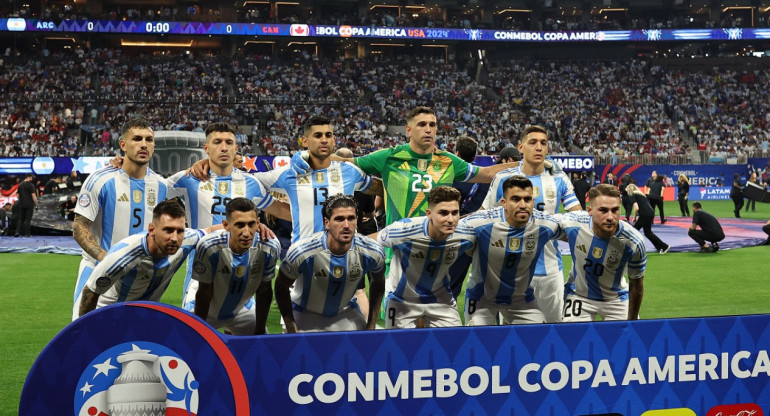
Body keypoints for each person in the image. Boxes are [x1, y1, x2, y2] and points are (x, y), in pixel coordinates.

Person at [166, 122, 288, 313]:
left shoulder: (251, 183)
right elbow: (151, 191)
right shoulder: (188, 179)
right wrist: (121, 165)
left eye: (229, 142)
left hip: (240, 277)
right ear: (206, 148)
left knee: (250, 338)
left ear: (236, 148)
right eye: (217, 142)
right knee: (197, 338)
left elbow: (281, 210)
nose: (223, 147)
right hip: (199, 276)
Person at [71, 118, 177, 320]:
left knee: (135, 344)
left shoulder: (162, 186)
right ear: (123, 145)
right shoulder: (100, 180)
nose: (144, 144)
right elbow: (79, 227)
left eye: (149, 139)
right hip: (98, 270)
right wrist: (108, 261)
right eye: (137, 139)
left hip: (140, 278)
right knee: (83, 339)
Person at [481, 125, 581, 323]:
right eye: (533, 142)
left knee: (553, 330)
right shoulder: (503, 179)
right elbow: (484, 218)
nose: (539, 147)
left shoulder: (559, 178)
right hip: (510, 271)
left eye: (543, 143)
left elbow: (577, 218)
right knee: (512, 336)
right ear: (520, 147)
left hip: (550, 269)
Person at [77, 199, 217, 317]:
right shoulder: (125, 255)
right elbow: (90, 291)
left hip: (144, 315)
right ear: (152, 229)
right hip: (110, 314)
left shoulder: (187, 239)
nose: (175, 238)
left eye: (180, 231)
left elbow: (210, 231)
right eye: (168, 230)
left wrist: (232, 230)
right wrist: (88, 332)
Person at [275, 194, 386, 333]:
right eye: (339, 219)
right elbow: (281, 287)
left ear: (357, 221)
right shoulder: (302, 251)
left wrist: (371, 323)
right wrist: (291, 325)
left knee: (366, 348)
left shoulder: (372, 251)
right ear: (326, 223)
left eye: (351, 218)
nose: (346, 225)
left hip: (345, 314)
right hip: (305, 314)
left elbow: (379, 282)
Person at [461, 175, 561, 326]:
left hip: (520, 299)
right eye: (515, 199)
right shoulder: (480, 222)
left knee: (539, 334)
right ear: (504, 203)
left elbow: (576, 228)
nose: (523, 205)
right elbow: (448, 233)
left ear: (532, 202)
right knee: (477, 336)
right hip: (482, 297)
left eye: (527, 199)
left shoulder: (545, 224)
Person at [375, 186, 475, 329]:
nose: (451, 219)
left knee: (455, 344)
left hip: (441, 300)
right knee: (399, 347)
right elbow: (375, 242)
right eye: (443, 213)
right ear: (429, 213)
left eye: (455, 213)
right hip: (401, 299)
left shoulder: (466, 235)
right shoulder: (404, 230)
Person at [192, 198, 280, 335]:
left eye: (251, 224)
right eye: (240, 225)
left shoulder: (270, 246)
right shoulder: (209, 246)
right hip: (205, 310)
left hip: (242, 311)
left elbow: (264, 291)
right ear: (226, 225)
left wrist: (259, 330)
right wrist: (199, 330)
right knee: (190, 346)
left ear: (258, 223)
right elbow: (204, 292)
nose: (246, 232)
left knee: (261, 348)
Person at [559, 184, 647, 322]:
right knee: (573, 340)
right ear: (590, 210)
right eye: (603, 210)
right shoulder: (572, 222)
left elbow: (636, 283)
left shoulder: (634, 242)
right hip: (579, 296)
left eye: (615, 210)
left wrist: (632, 321)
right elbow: (543, 223)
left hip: (616, 300)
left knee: (626, 340)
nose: (610, 217)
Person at [627, 184, 670, 254]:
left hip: (644, 215)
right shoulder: (642, 195)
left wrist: (634, 217)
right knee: (648, 233)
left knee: (633, 232)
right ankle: (662, 247)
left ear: (629, 190)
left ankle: (630, 249)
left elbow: (636, 208)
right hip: (650, 213)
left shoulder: (632, 195)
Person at [14, 173, 37, 237]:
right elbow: (33, 195)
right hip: (29, 204)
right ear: (28, 177)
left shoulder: (20, 185)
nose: (32, 178)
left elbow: (17, 195)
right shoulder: (30, 185)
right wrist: (36, 203)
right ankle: (27, 233)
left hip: (21, 204)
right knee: (28, 219)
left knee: (21, 219)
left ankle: (17, 232)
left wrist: (21, 200)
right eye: (31, 177)